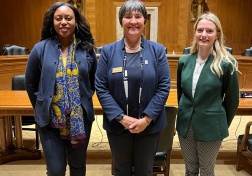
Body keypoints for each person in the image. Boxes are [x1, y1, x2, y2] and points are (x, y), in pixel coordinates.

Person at [95, 0, 170, 175]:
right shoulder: (108, 52)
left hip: (149, 126)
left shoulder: (158, 51)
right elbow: (101, 87)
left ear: (145, 21)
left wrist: (147, 119)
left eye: (138, 16)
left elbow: (164, 86)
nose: (133, 21)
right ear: (121, 21)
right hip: (118, 126)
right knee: (121, 170)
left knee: (145, 170)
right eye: (128, 17)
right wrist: (121, 118)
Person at [25, 2, 97, 176]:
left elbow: (93, 81)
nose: (63, 22)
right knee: (56, 170)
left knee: (78, 167)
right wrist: (43, 105)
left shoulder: (86, 49)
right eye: (58, 18)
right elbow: (30, 83)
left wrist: (82, 100)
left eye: (68, 18)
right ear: (52, 22)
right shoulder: (40, 49)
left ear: (76, 22)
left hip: (80, 119)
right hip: (50, 121)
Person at [176, 12, 239, 176]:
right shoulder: (184, 61)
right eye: (200, 30)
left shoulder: (226, 64)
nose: (204, 35)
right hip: (186, 125)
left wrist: (220, 126)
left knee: (206, 170)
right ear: (195, 32)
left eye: (209, 31)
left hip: (211, 127)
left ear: (217, 34)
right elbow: (181, 95)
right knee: (190, 170)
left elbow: (232, 101)